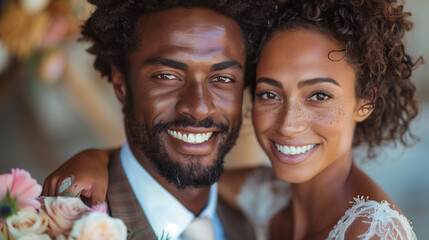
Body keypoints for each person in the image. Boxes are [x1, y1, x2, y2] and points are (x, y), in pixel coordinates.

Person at [44, 0, 421, 239]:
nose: (288, 124)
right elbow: (166, 162)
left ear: (365, 100)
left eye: (319, 95)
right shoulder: (264, 195)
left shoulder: (374, 232)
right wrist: (95, 157)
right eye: (269, 94)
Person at [40, 0, 276, 240]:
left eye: (223, 78)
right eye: (167, 76)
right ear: (121, 84)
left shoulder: (247, 223)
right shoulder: (56, 226)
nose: (199, 108)